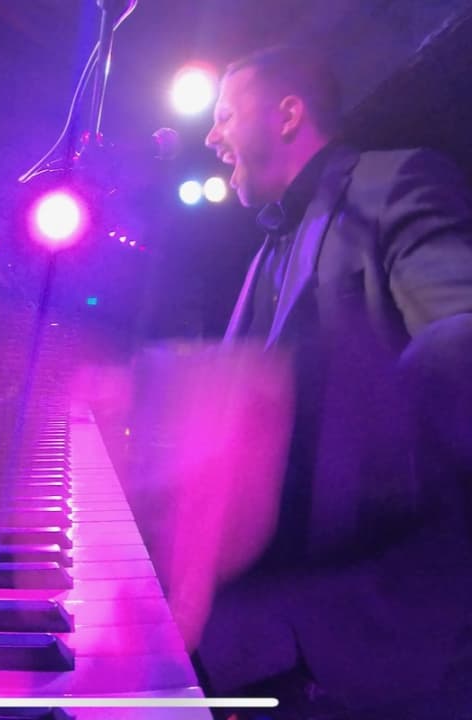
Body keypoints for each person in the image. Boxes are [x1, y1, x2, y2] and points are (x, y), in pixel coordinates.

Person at [195, 45, 472, 719]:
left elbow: (461, 340)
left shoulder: (392, 182)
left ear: (288, 115)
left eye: (224, 115)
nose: (210, 138)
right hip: (269, 636)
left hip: (383, 641)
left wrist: (305, 419)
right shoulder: (264, 252)